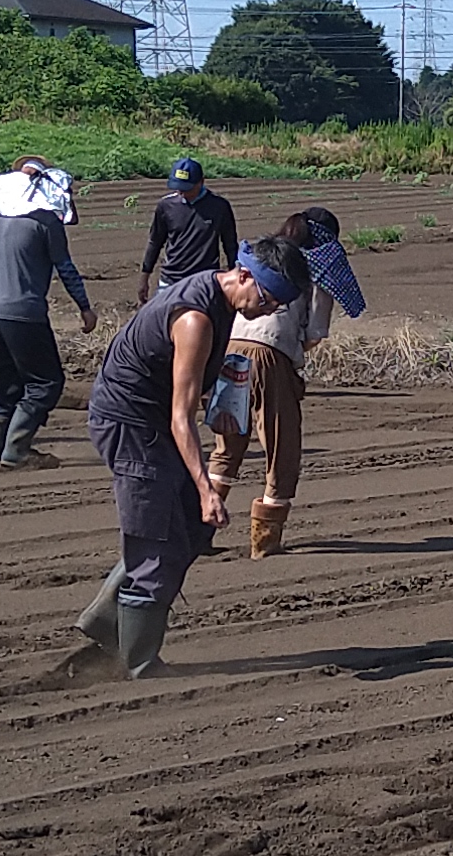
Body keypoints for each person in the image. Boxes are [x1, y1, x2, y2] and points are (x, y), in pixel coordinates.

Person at [69, 235, 301, 678]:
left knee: (192, 527)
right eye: (269, 300)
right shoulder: (195, 318)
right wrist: (206, 487)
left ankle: (106, 620)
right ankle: (138, 666)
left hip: (152, 421)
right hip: (132, 425)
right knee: (157, 540)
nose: (269, 311)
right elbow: (181, 416)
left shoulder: (219, 297)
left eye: (278, 307)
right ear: (244, 275)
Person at [208, 205, 372, 557]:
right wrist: (294, 352)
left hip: (231, 347)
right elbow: (315, 332)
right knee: (281, 448)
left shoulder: (264, 254)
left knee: (228, 443)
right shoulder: (320, 270)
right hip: (271, 354)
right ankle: (264, 543)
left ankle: (197, 531)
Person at [0, 160, 95, 468]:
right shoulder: (46, 223)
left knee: (3, 389)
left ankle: (0, 454)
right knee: (45, 383)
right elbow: (66, 269)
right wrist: (85, 308)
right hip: (25, 313)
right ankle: (17, 449)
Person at [137, 155, 240, 289]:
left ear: (201, 182)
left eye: (187, 189)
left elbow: (230, 244)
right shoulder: (166, 206)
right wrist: (144, 277)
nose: (182, 193)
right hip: (171, 280)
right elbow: (155, 242)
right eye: (179, 187)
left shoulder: (219, 207)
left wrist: (236, 275)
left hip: (204, 281)